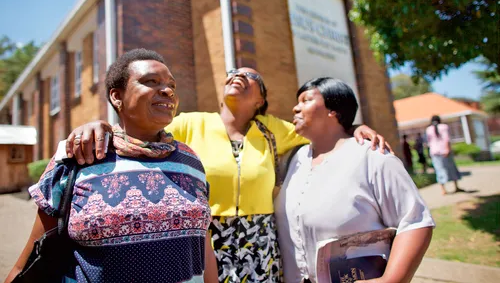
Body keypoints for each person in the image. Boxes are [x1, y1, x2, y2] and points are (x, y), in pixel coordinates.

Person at [63, 67, 392, 283]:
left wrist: (356, 126)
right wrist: (99, 125)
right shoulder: (191, 123)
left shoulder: (273, 130)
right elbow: (136, 127)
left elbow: (323, 126)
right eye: (233, 72)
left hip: (260, 239)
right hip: (206, 237)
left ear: (261, 99)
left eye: (249, 77)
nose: (238, 75)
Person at [5, 49, 218, 283]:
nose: (167, 91)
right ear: (117, 96)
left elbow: (202, 245)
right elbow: (29, 261)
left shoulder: (191, 160)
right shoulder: (80, 156)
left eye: (171, 86)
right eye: (150, 82)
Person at [275, 77, 435, 283]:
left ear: (333, 110)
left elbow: (415, 222)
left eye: (306, 100)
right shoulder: (293, 159)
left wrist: (391, 280)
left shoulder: (372, 156)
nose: (295, 109)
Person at [426, 115, 464, 195]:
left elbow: (429, 143)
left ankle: (443, 190)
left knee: (439, 170)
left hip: (434, 152)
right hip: (444, 151)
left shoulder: (428, 129)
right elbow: (447, 139)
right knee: (451, 168)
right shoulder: (444, 127)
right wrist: (447, 149)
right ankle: (456, 186)